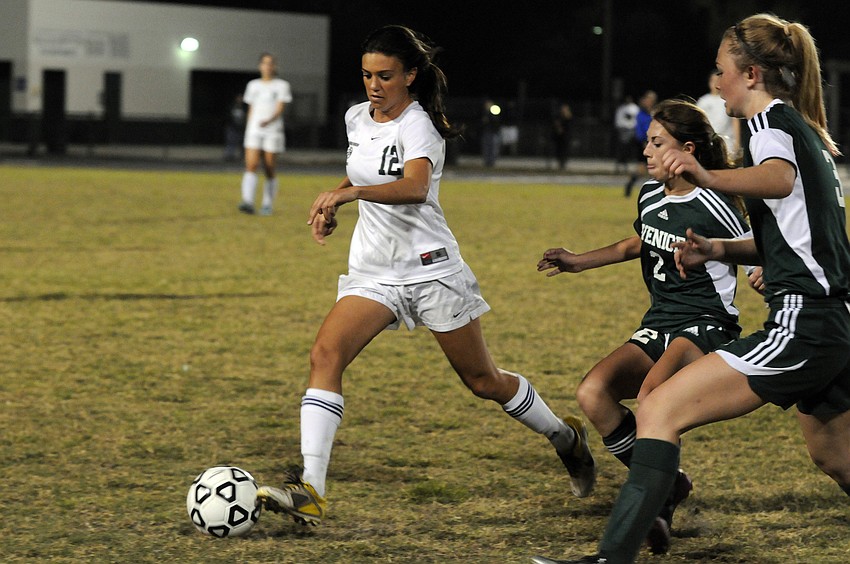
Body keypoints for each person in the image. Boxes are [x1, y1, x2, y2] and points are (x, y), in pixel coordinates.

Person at [533, 13, 850, 564]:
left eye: (721, 69)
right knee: (836, 456)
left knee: (659, 409)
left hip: (803, 321)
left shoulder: (769, 123)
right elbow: (796, 231)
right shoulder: (801, 128)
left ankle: (613, 556)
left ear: (750, 73)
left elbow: (778, 179)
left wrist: (703, 175)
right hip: (832, 319)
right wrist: (723, 250)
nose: (717, 80)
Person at [254, 24, 596, 527]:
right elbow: (364, 171)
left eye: (386, 76)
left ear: (411, 75)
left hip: (431, 269)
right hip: (375, 270)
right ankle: (311, 489)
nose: (374, 85)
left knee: (483, 381)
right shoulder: (356, 117)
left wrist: (348, 196)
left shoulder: (420, 124)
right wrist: (335, 198)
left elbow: (414, 187)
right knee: (325, 354)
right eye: (367, 75)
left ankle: (565, 438)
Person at [538, 98, 750, 555]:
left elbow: (755, 245)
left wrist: (763, 270)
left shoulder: (715, 205)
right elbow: (637, 242)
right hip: (660, 323)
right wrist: (579, 261)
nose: (646, 151)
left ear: (686, 150)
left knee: (653, 396)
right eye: (648, 142)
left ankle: (656, 509)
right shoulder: (651, 193)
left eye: (657, 143)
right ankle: (667, 483)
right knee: (592, 393)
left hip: (706, 325)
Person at [238, 52, 293, 216]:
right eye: (265, 63)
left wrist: (269, 120)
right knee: (251, 165)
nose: (268, 66)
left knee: (269, 167)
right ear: (259, 66)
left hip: (272, 131)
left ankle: (267, 204)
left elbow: (280, 108)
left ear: (275, 67)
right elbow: (251, 109)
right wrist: (250, 127)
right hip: (254, 130)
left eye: (271, 63)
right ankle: (247, 201)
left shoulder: (281, 85)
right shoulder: (253, 85)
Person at [697, 70, 741, 156]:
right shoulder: (703, 101)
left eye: (718, 80)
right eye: (713, 81)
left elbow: (735, 121)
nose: (715, 84)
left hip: (728, 143)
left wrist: (737, 143)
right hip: (710, 142)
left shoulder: (727, 99)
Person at [624, 90, 657, 197]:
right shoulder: (641, 114)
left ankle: (654, 192)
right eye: (648, 99)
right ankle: (630, 185)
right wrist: (643, 141)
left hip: (655, 144)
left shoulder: (655, 113)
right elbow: (639, 130)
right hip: (644, 144)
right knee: (642, 169)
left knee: (654, 169)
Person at [613, 95, 639, 173]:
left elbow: (636, 120)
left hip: (631, 130)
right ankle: (620, 164)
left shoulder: (635, 108)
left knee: (629, 148)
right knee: (621, 148)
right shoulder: (621, 108)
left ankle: (629, 164)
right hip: (622, 130)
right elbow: (618, 119)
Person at [224, 93, 246, 162]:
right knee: (231, 142)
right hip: (232, 127)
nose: (240, 99)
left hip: (241, 128)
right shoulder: (232, 106)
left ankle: (243, 156)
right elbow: (227, 116)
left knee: (242, 143)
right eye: (239, 98)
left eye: (241, 98)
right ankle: (229, 156)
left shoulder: (244, 107)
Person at [552, 102, 574, 169]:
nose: (563, 110)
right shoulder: (559, 116)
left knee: (565, 150)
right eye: (563, 108)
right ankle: (560, 163)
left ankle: (563, 164)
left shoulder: (568, 117)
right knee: (559, 150)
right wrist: (558, 128)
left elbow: (569, 125)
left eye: (565, 109)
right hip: (559, 137)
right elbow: (556, 124)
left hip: (565, 137)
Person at [481, 98, 501, 167]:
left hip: (493, 132)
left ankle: (492, 162)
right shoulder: (484, 112)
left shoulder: (494, 111)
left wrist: (489, 118)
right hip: (486, 132)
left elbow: (497, 121)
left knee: (493, 148)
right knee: (486, 148)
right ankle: (487, 162)